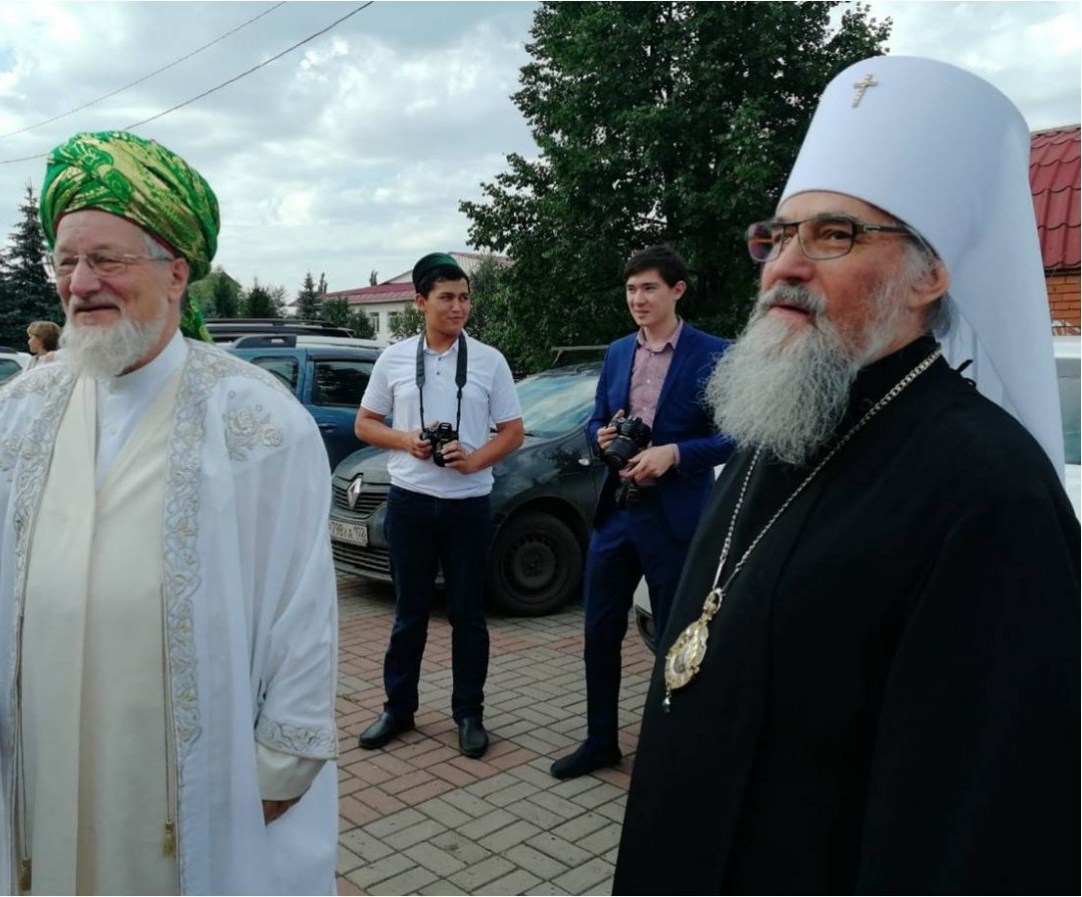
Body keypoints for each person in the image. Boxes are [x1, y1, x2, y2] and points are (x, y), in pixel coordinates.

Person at [614, 57, 1079, 894]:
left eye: (834, 235)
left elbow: (973, 830)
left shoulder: (991, 494)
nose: (785, 266)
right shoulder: (777, 424)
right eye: (778, 236)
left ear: (930, 275)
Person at [0, 130, 340, 896]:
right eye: (66, 261)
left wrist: (284, 757)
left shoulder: (258, 422)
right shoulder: (22, 411)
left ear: (177, 272)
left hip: (200, 776)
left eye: (106, 259)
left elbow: (302, 608)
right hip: (42, 751)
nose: (80, 283)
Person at [550, 246, 732, 780]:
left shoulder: (714, 353)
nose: (638, 299)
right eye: (631, 289)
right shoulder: (616, 352)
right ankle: (600, 741)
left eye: (649, 288)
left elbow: (736, 437)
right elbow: (597, 420)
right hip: (617, 512)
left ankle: (672, 747)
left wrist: (674, 454)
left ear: (677, 290)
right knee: (599, 631)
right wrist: (602, 437)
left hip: (674, 517)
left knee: (677, 638)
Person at [354, 252, 524, 759]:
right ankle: (398, 709)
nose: (458, 307)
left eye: (464, 297)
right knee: (409, 614)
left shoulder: (490, 360)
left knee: (468, 615)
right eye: (447, 297)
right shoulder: (394, 359)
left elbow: (512, 432)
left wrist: (474, 461)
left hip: (468, 504)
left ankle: (469, 714)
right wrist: (406, 440)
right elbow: (365, 424)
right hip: (410, 502)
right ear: (420, 302)